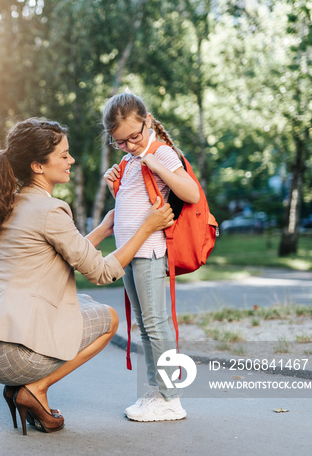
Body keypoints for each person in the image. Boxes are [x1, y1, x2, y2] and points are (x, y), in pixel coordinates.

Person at [0, 117, 174, 435]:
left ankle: (25, 389)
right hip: (13, 353)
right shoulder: (50, 210)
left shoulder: (9, 204)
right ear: (38, 165)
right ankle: (35, 389)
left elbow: (69, 256)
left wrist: (104, 229)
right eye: (63, 155)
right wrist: (147, 227)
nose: (71, 160)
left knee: (83, 302)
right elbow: (102, 272)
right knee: (109, 319)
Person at [102, 92, 200, 422]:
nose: (129, 145)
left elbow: (190, 192)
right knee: (146, 326)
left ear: (147, 122)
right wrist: (116, 187)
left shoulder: (161, 152)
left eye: (134, 136)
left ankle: (171, 398)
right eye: (120, 142)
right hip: (131, 253)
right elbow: (137, 203)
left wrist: (155, 162)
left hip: (151, 251)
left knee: (157, 325)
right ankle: (156, 392)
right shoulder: (131, 159)